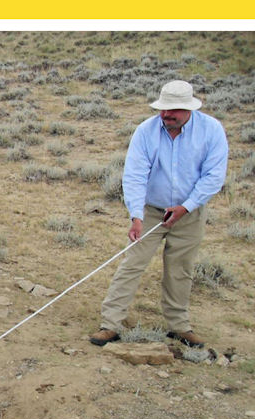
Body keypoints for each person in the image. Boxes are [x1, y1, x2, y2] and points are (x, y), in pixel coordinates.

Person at [89, 80, 228, 349]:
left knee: (180, 269)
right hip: (151, 211)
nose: (166, 114)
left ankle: (179, 327)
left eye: (173, 110)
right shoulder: (146, 131)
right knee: (132, 264)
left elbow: (213, 176)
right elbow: (134, 175)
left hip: (190, 213)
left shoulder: (211, 130)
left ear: (189, 109)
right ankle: (110, 324)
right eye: (163, 109)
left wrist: (186, 207)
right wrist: (136, 216)